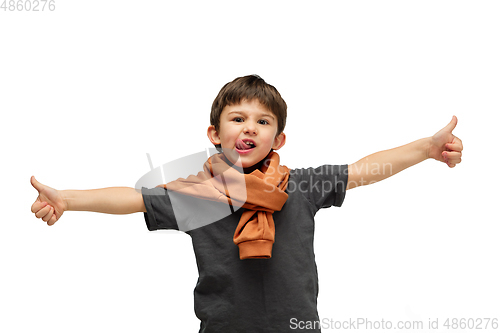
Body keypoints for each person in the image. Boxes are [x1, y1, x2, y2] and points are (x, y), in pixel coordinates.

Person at [30, 75, 463, 332]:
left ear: (279, 138)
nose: (249, 127)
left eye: (262, 120)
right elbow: (134, 199)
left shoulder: (302, 186)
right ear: (215, 134)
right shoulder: (200, 196)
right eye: (237, 118)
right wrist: (67, 199)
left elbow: (364, 170)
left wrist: (426, 147)